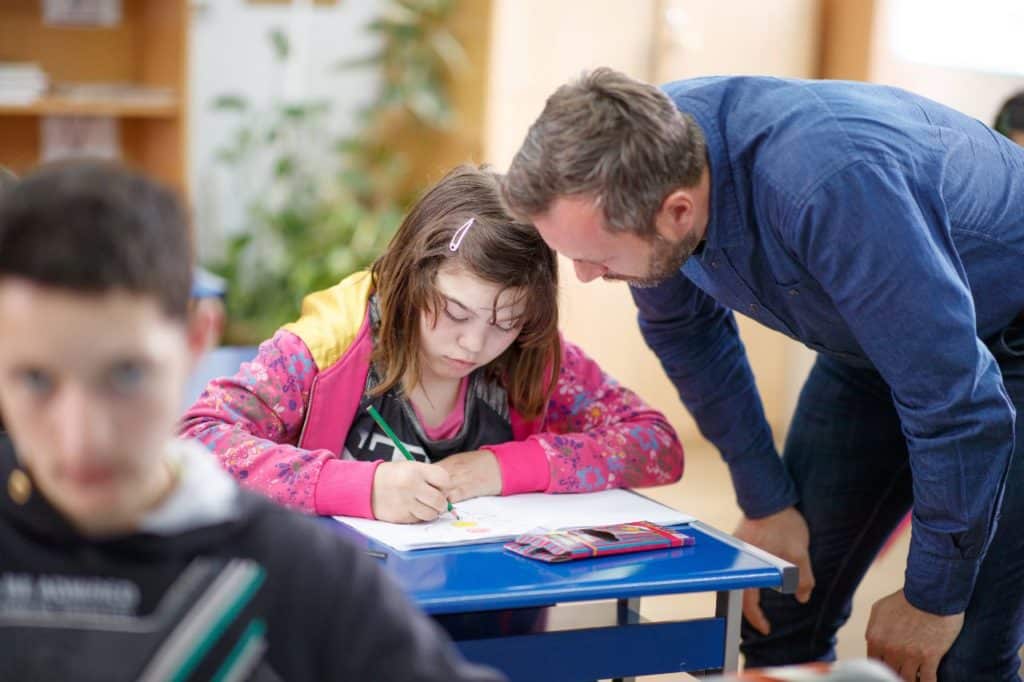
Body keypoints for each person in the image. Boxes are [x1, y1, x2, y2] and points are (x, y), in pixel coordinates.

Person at [502, 68, 1024, 681]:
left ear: (677, 212)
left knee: (960, 655)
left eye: (597, 258)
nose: (587, 277)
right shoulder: (649, 151)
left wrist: (934, 598)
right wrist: (766, 497)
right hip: (875, 341)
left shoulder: (828, 186)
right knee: (778, 604)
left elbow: (958, 407)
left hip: (1003, 350)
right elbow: (685, 331)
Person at [0, 160, 504, 681]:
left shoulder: (305, 578)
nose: (82, 439)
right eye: (35, 381)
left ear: (198, 337)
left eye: (126, 375)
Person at [181, 164, 683, 524]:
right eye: (454, 311)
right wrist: (361, 487)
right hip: (338, 608)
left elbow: (656, 444)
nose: (474, 342)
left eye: (505, 322)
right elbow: (196, 441)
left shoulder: (530, 353)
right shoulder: (326, 346)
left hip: (493, 614)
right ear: (410, 278)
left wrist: (500, 468)